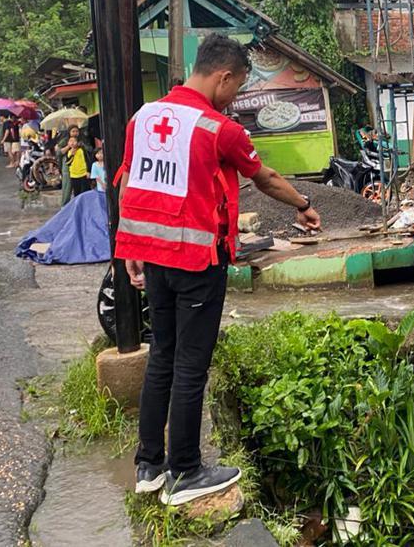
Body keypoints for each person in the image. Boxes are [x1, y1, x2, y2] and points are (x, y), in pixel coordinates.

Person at [116, 34, 321, 506]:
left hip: (154, 256)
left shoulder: (142, 118)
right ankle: (185, 472)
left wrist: (127, 246)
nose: (236, 98)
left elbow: (130, 181)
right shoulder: (217, 129)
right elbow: (263, 177)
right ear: (223, 77)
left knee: (162, 356)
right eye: (238, 87)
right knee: (191, 365)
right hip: (197, 260)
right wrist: (304, 205)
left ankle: (149, 465)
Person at [65, 133, 90, 199]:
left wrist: (88, 171)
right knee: (77, 193)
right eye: (70, 141)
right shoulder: (68, 152)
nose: (72, 143)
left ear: (78, 142)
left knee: (85, 192)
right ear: (68, 143)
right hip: (74, 175)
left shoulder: (82, 150)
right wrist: (72, 155)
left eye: (74, 141)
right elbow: (68, 163)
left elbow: (87, 160)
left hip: (83, 174)